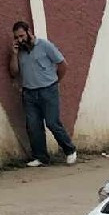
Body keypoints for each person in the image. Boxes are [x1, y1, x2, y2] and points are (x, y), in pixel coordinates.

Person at [9, 21, 76, 167]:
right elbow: (14, 72)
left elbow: (63, 64)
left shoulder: (44, 45)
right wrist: (14, 55)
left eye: (21, 36)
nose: (20, 40)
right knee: (33, 126)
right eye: (17, 37)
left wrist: (55, 81)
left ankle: (70, 150)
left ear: (29, 32)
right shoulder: (19, 51)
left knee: (52, 122)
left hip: (48, 89)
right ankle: (41, 157)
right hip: (29, 93)